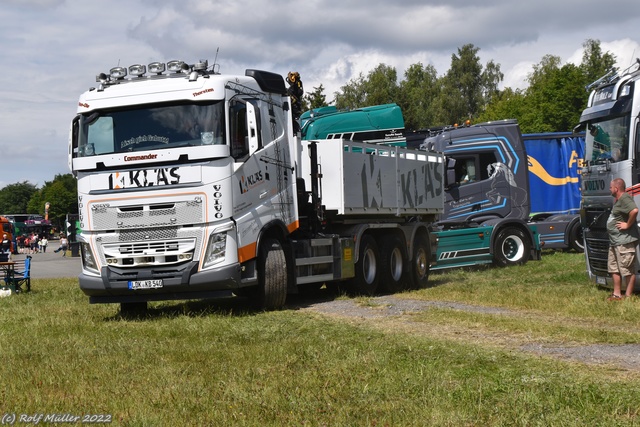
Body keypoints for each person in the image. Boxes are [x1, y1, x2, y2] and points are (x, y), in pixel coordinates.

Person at [606, 178, 639, 300]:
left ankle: (628, 296)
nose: (609, 189)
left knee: (627, 269)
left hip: (624, 242)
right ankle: (617, 294)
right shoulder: (618, 200)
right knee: (613, 268)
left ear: (616, 188)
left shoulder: (625, 198)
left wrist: (627, 225)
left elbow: (634, 210)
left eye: (610, 187)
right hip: (615, 241)